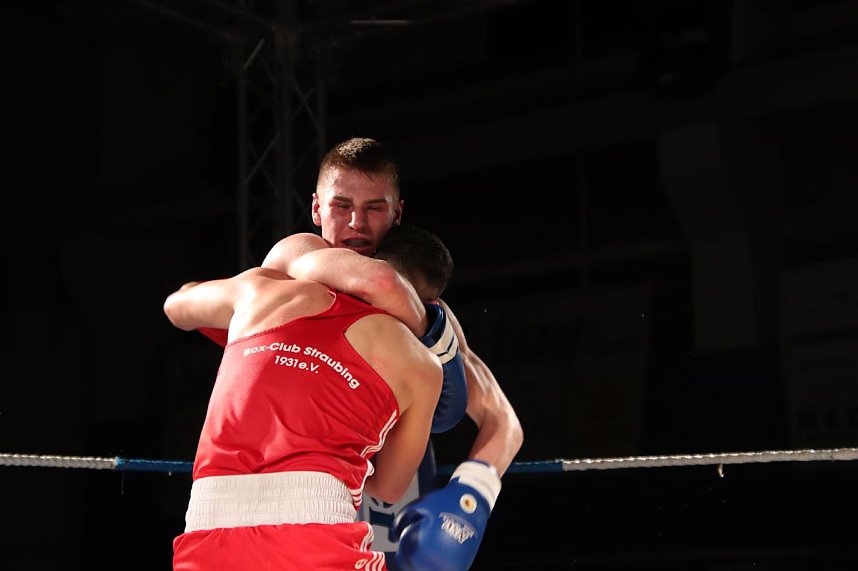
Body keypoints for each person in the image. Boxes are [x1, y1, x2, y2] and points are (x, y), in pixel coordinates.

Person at [261, 137, 524, 570]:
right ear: (316, 210)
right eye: (341, 205)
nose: (356, 224)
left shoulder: (430, 313)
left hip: (392, 518)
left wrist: (468, 501)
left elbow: (504, 422)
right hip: (299, 510)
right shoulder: (289, 271)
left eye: (374, 208)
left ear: (397, 213)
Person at [164, 226, 458, 570]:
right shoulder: (423, 366)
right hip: (317, 530)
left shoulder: (261, 289)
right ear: (430, 305)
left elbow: (176, 306)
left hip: (207, 528)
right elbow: (389, 489)